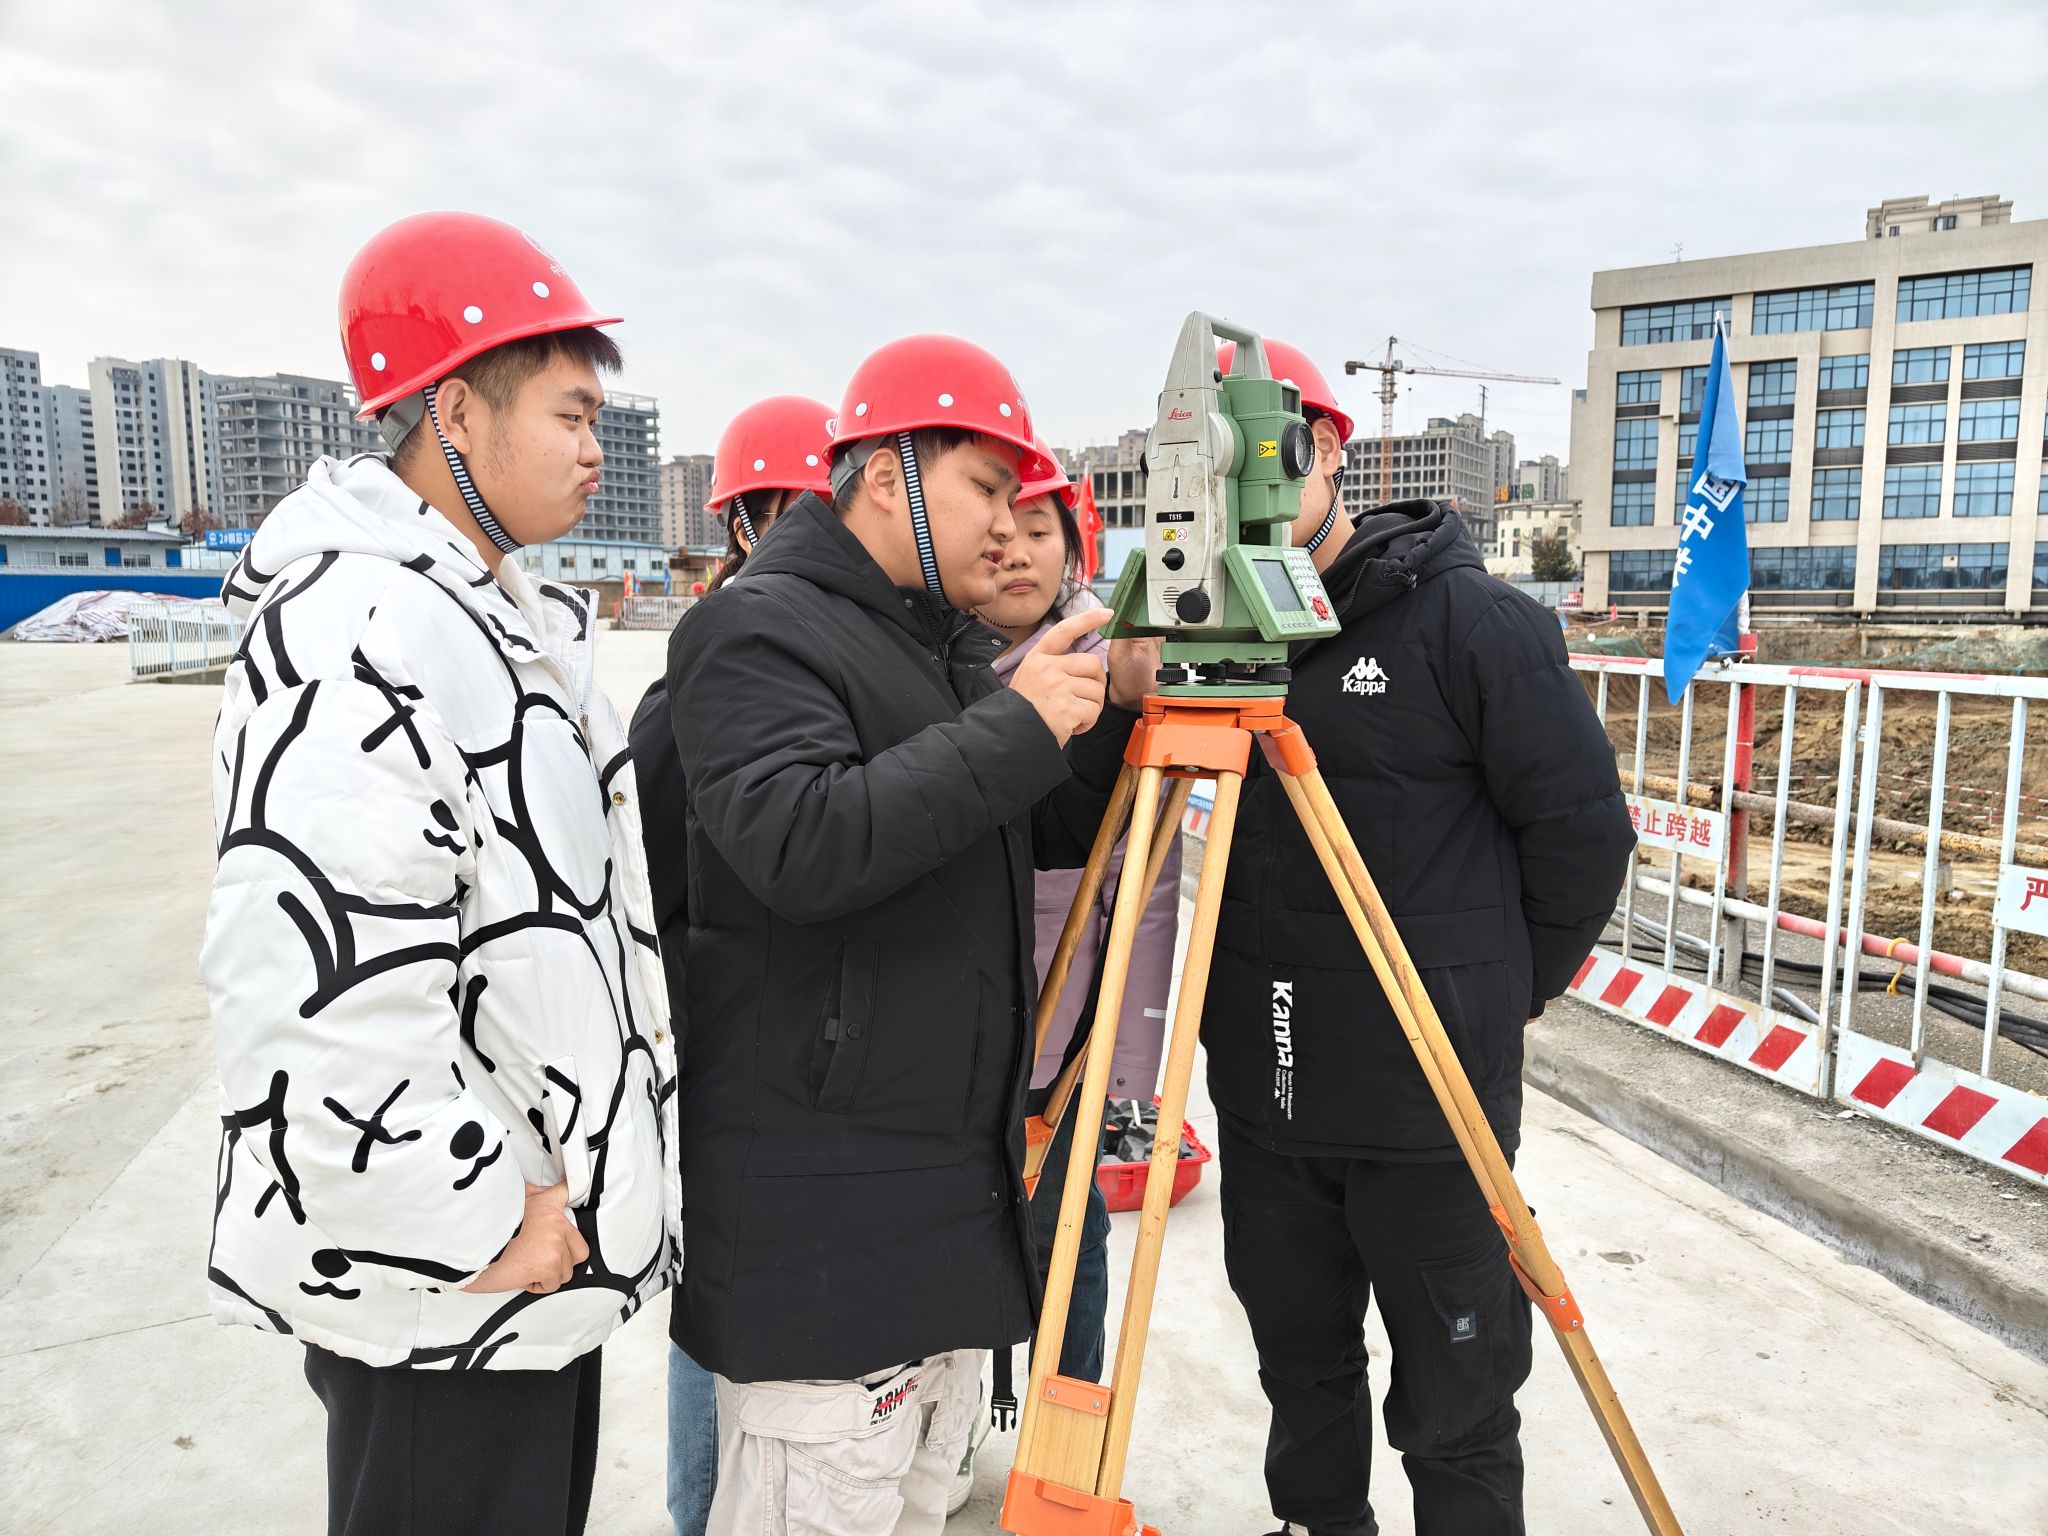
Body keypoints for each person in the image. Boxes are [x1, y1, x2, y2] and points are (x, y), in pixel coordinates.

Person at [198, 211, 679, 1536]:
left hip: (525, 1262)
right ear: (456, 411)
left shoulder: (482, 613)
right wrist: (470, 1218)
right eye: (571, 415)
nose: (594, 448)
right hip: (450, 1279)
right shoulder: (359, 626)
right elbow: (316, 987)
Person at [664, 334, 1158, 1536]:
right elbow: (799, 841)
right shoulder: (753, 632)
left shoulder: (932, 646)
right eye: (983, 487)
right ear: (885, 477)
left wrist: (1106, 712)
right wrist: (1014, 725)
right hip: (825, 1248)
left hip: (929, 1227)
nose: (1005, 524)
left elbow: (1029, 831)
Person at [1200, 339, 1634, 1536]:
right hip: (1266, 1096)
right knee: (1300, 1375)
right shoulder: (1214, 635)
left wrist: (1492, 993)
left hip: (1427, 1112)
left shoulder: (1470, 625)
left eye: (1248, 459)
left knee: (1455, 1403)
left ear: (1320, 449)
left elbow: (1580, 836)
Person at [954, 442, 1183, 1508]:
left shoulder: (1109, 672)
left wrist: (1127, 1062)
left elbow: (1146, 886)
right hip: (954, 1024)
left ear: (1074, 548)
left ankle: (1062, 1456)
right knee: (952, 1232)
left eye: (1038, 530)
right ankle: (952, 1426)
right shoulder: (929, 664)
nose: (1014, 550)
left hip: (1063, 1033)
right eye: (997, 526)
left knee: (1067, 1236)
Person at [626, 392, 834, 1536]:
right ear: (743, 524)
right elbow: (648, 881)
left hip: (805, 1049)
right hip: (727, 1046)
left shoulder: (833, 656)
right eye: (790, 509)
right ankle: (698, 1513)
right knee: (718, 1304)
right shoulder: (700, 681)